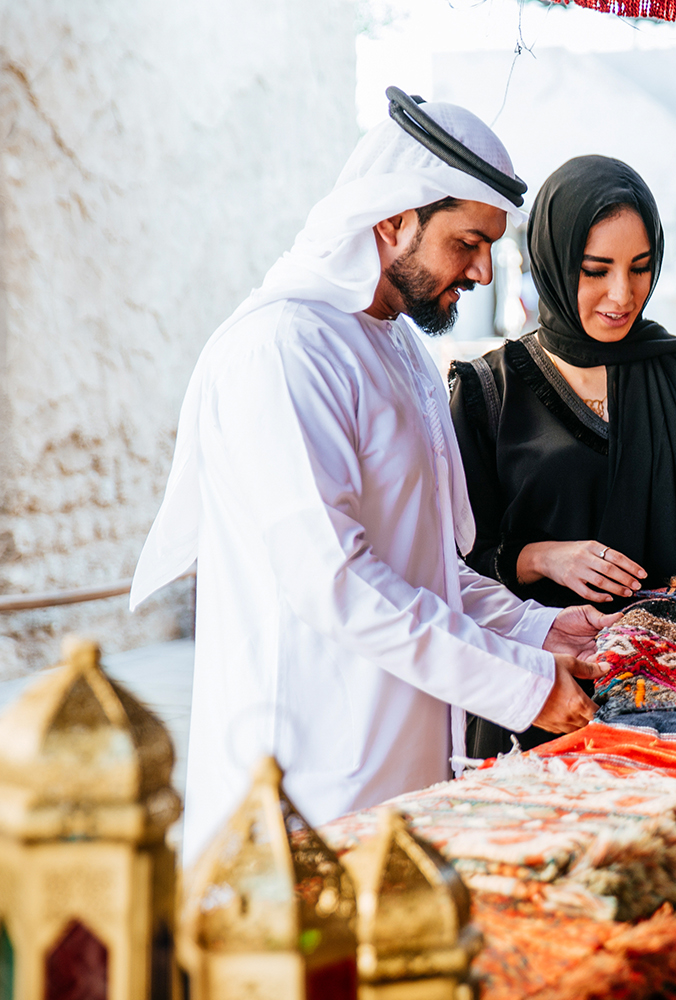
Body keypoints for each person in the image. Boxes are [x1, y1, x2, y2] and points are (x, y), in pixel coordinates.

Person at [130, 93, 612, 865]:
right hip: (304, 786)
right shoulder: (285, 349)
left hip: (401, 775)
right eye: (466, 243)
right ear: (393, 221)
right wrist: (524, 685)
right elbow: (340, 582)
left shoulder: (400, 351)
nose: (484, 270)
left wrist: (536, 628)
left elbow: (425, 570)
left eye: (490, 246)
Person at [449, 155, 676, 755]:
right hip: (545, 707)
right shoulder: (490, 393)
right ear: (552, 260)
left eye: (640, 268)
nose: (621, 296)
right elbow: (453, 569)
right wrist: (541, 558)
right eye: (596, 270)